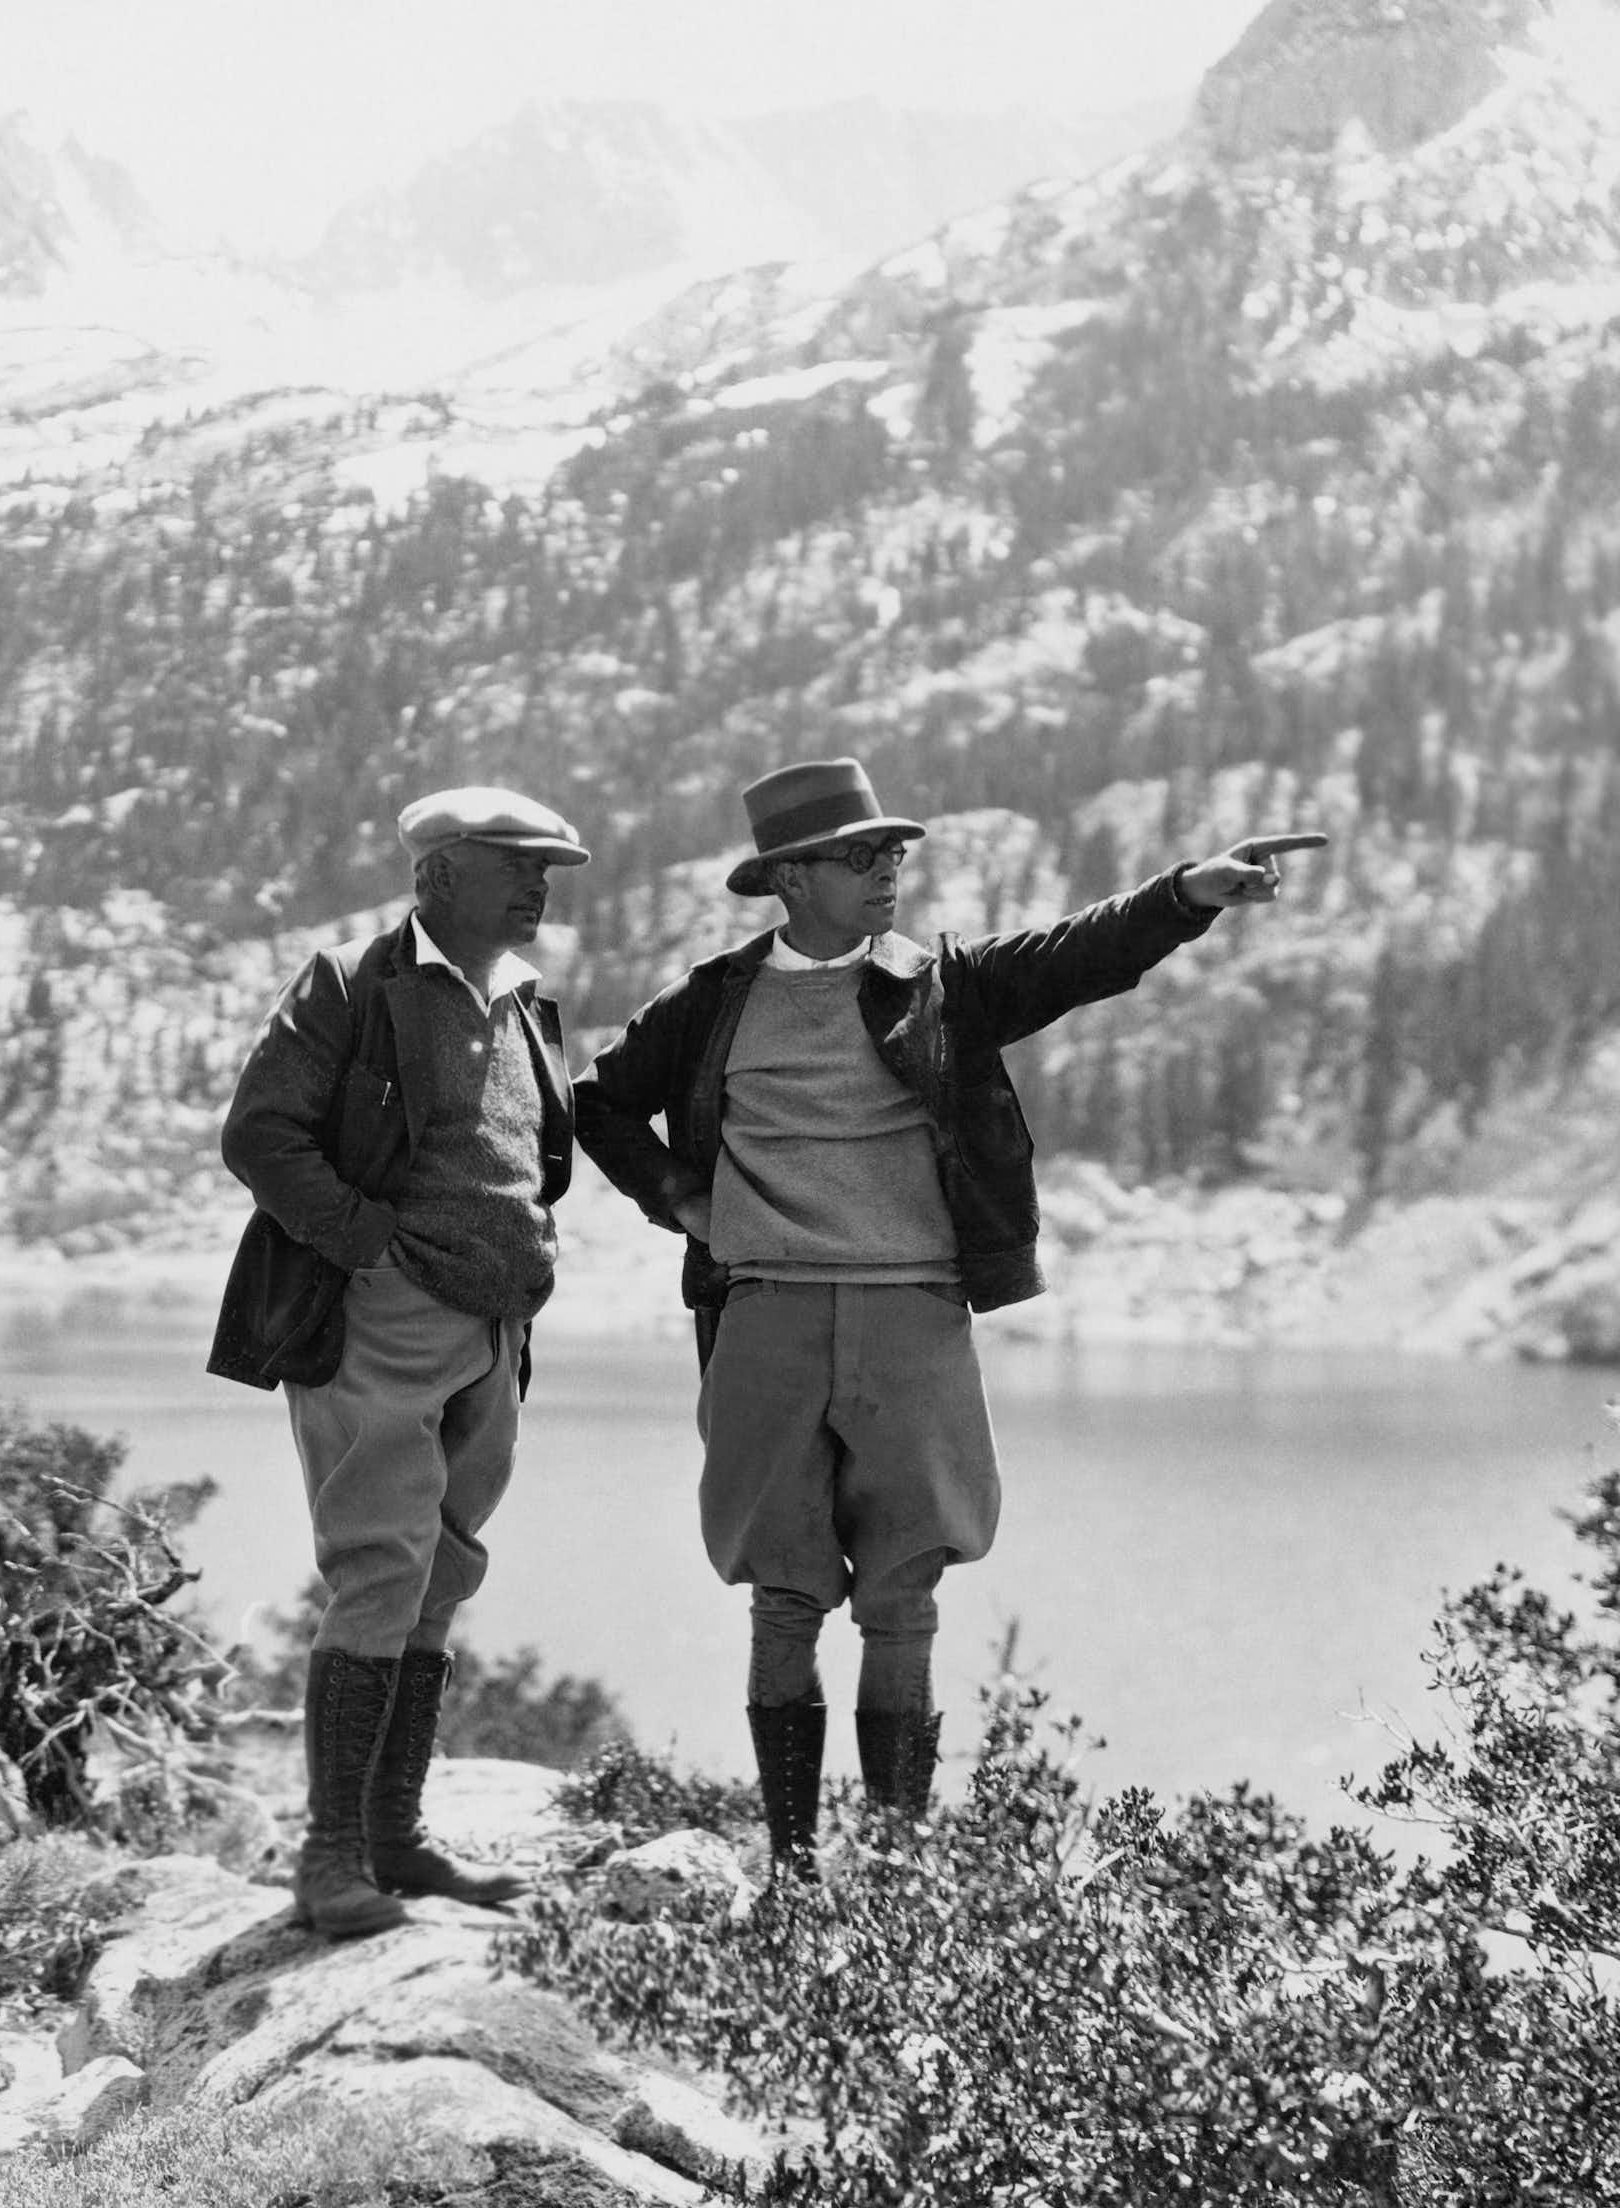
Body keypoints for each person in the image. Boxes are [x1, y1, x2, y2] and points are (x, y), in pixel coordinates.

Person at [572, 756, 1320, 1871]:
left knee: (903, 1590)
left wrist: (1184, 894)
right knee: (783, 1590)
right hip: (766, 1314)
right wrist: (682, 1200)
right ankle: (791, 1876)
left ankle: (894, 1877)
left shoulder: (941, 986)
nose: (888, 871)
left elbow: (1076, 956)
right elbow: (596, 1103)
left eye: (894, 853)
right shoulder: (712, 1001)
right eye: (861, 856)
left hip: (914, 1314)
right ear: (790, 877)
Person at [208, 786, 588, 1936]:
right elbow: (259, 1134)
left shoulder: (523, 1000)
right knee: (381, 1569)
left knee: (443, 1571)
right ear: (438, 875)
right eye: (514, 865)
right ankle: (331, 1865)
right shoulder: (350, 984)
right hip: (383, 1317)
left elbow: (533, 1157)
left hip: (495, 1328)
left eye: (545, 870)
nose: (536, 888)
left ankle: (395, 1840)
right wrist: (368, 1246)